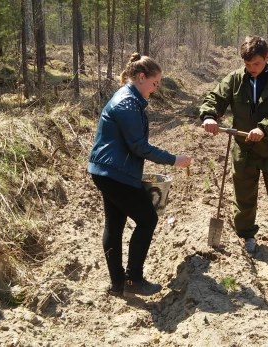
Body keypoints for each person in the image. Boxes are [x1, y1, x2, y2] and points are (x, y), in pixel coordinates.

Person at [199, 36, 268, 271]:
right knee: (244, 197)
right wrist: (210, 115)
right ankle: (247, 236)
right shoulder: (235, 79)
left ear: (267, 58)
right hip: (244, 149)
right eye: (248, 65)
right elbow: (215, 98)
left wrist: (264, 128)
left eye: (257, 64)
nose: (252, 69)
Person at [88, 53, 192, 296]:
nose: (155, 89)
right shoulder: (126, 103)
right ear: (142, 77)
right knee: (147, 219)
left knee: (115, 225)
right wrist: (173, 160)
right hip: (113, 173)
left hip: (109, 171)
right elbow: (139, 146)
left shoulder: (130, 99)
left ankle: (118, 285)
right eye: (155, 84)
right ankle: (133, 279)